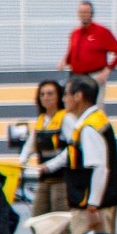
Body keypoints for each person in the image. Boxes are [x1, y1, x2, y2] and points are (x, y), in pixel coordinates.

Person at [58, 74, 117, 234]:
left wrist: (93, 204)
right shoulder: (94, 120)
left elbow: (100, 168)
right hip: (97, 204)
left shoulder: (89, 128)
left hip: (89, 208)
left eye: (66, 94)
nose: (63, 99)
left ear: (78, 96)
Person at [19, 79, 69, 220]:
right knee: (37, 217)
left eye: (50, 94)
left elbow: (71, 149)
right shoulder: (41, 120)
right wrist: (21, 161)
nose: (46, 97)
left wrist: (50, 166)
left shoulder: (66, 119)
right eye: (42, 94)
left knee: (60, 221)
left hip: (61, 180)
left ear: (58, 96)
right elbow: (30, 144)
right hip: (44, 179)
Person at [60, 0, 117, 97]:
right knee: (74, 108)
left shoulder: (102, 32)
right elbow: (72, 51)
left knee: (94, 108)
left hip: (94, 77)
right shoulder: (75, 33)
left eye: (86, 12)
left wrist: (107, 70)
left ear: (91, 14)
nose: (83, 15)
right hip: (76, 77)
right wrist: (64, 61)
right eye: (81, 12)